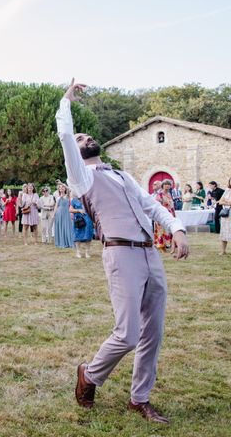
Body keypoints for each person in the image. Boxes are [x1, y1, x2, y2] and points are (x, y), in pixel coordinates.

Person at [58, 79, 188, 424]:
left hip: (150, 254)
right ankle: (90, 374)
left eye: (88, 137)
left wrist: (176, 229)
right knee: (127, 333)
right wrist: (66, 101)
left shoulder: (123, 175)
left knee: (153, 332)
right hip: (120, 254)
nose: (86, 140)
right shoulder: (81, 178)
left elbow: (152, 207)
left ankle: (140, 398)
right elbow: (66, 137)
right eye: (81, 138)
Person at [70, 191, 94, 258]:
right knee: (77, 236)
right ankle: (78, 252)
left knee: (88, 235)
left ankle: (87, 252)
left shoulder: (88, 198)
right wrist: (78, 210)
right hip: (79, 220)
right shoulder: (74, 200)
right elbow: (70, 210)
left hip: (88, 219)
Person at [153, 179, 176, 251]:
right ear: (163, 186)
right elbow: (157, 204)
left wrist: (174, 213)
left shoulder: (169, 194)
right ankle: (161, 246)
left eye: (169, 184)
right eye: (166, 184)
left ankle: (168, 244)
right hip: (162, 213)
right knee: (161, 229)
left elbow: (172, 205)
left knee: (168, 230)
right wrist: (164, 202)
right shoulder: (159, 194)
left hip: (169, 213)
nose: (167, 186)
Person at [53, 184, 75, 248]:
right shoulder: (58, 197)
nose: (61, 188)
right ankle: (61, 242)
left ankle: (68, 242)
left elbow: (71, 190)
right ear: (59, 189)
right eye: (60, 187)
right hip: (59, 213)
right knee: (61, 227)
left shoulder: (68, 196)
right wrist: (53, 215)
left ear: (65, 189)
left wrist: (62, 184)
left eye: (63, 187)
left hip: (67, 213)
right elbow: (56, 206)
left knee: (67, 227)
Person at [218, 178, 231, 255]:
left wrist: (225, 202)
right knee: (224, 232)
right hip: (226, 214)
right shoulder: (227, 191)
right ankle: (223, 251)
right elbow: (220, 202)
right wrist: (227, 203)